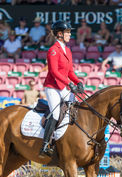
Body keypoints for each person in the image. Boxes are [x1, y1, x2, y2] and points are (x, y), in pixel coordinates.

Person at [40, 20, 83, 156]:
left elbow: (70, 71)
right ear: (59, 34)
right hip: (52, 87)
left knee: (74, 107)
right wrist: (69, 83)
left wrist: (78, 81)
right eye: (68, 32)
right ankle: (46, 144)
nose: (70, 35)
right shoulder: (53, 50)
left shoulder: (68, 51)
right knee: (56, 114)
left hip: (63, 86)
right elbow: (54, 72)